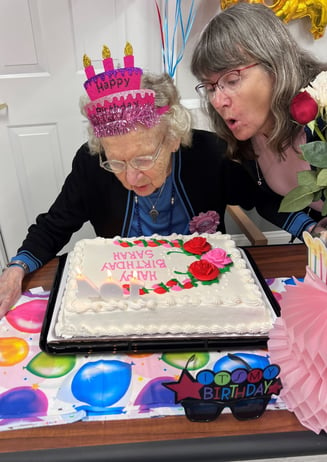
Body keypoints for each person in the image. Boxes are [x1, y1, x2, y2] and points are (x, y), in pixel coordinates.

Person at [0, 51, 260, 319]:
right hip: (125, 304)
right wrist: (17, 267)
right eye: (117, 163)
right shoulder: (91, 163)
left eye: (143, 159)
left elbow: (263, 197)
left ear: (172, 138)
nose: (131, 178)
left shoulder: (210, 154)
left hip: (205, 299)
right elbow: (54, 225)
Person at [191, 2, 327, 242]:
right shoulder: (244, 136)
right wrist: (311, 230)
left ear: (274, 65)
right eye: (210, 87)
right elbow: (266, 198)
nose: (219, 100)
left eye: (232, 79)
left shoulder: (321, 108)